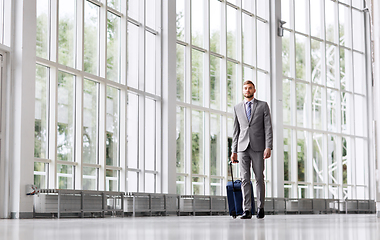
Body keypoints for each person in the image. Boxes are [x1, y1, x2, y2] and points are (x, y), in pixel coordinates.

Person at [230, 80, 273, 219]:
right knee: (244, 179)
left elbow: (268, 128)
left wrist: (268, 146)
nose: (247, 90)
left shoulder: (263, 106)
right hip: (242, 148)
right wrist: (233, 151)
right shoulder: (237, 108)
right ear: (243, 91)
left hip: (258, 147)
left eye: (250, 88)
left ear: (254, 90)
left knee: (259, 178)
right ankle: (247, 210)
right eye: (245, 88)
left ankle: (260, 208)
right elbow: (235, 131)